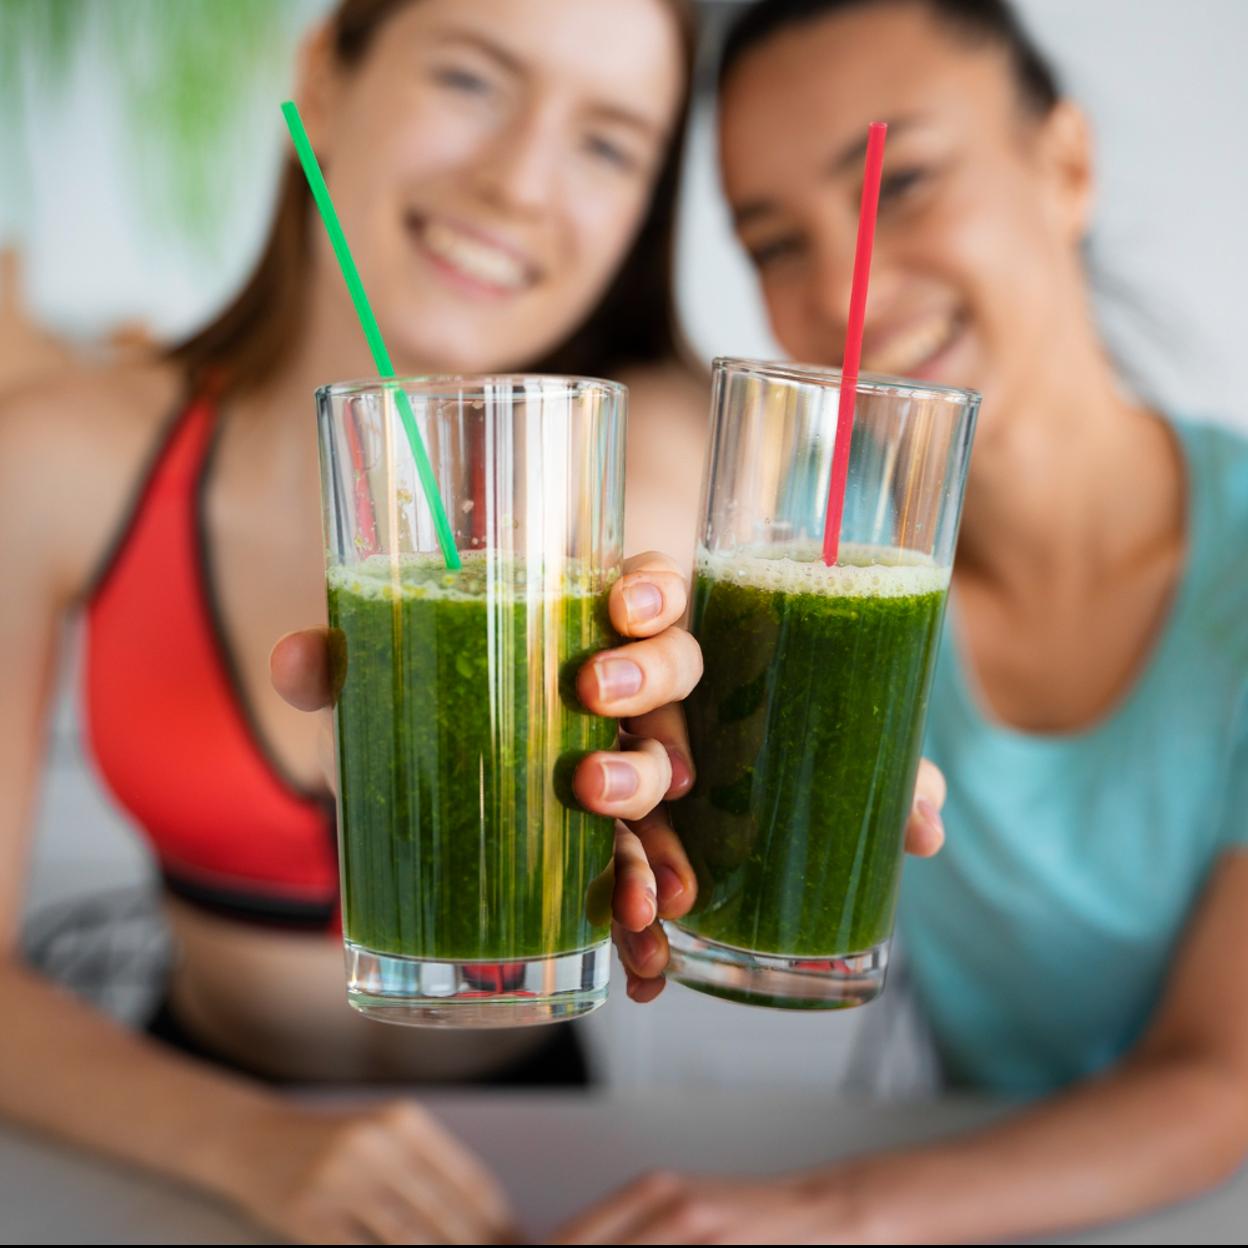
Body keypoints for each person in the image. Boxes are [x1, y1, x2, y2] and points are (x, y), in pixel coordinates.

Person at [0, 0, 715, 1241]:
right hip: (180, 1141)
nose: (521, 181)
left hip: (546, 1159)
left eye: (608, 142)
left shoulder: (662, 469)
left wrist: (755, 775)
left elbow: (751, 744)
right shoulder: (66, 457)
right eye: (473, 80)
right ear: (324, 79)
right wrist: (253, 1147)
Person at [560, 0, 1248, 1242]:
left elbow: (1224, 1076)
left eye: (904, 181)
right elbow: (642, 534)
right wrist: (609, 660)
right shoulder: (796, 558)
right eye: (772, 242)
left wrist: (834, 1215)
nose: (839, 290)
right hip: (971, 1158)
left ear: (1068, 162)